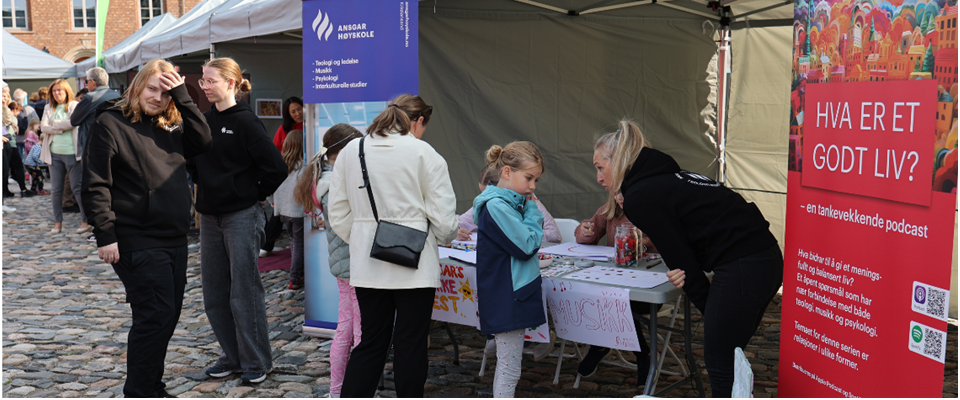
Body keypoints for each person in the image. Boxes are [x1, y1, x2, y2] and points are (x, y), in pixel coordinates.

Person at [599, 119, 783, 398]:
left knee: (721, 362)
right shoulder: (667, 179)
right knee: (729, 355)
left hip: (745, 264)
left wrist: (710, 311)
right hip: (764, 256)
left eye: (600, 167)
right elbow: (692, 236)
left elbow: (680, 257)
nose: (599, 177)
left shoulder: (640, 195)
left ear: (620, 161)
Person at [81, 58, 212, 398]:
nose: (157, 97)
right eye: (152, 89)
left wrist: (182, 95)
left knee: (167, 318)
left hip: (173, 236)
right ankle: (140, 392)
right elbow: (95, 183)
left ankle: (151, 386)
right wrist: (105, 234)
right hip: (133, 236)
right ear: (137, 86)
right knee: (154, 316)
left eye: (165, 92)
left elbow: (203, 141)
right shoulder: (110, 122)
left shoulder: (173, 122)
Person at [328, 94, 458, 398]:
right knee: (411, 344)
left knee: (370, 343)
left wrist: (365, 239)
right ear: (419, 120)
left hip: (368, 264)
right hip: (416, 263)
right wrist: (437, 238)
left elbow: (337, 213)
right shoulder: (425, 153)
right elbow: (444, 221)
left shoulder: (351, 150)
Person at [187, 57, 287, 385]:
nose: (204, 85)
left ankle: (256, 361)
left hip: (241, 217)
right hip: (210, 218)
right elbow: (193, 164)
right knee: (215, 293)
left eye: (210, 80)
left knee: (243, 292)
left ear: (231, 83)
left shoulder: (246, 122)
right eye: (203, 80)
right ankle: (232, 356)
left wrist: (254, 193)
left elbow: (276, 167)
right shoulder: (202, 120)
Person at [472, 141, 547, 398]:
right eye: (529, 178)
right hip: (507, 295)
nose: (532, 186)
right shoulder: (498, 207)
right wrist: (534, 212)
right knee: (509, 369)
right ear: (506, 172)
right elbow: (527, 246)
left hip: (509, 293)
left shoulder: (506, 204)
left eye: (536, 179)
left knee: (509, 367)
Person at [295, 123, 363, 399]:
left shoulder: (323, 178)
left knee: (346, 328)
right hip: (353, 263)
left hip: (342, 263)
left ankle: (338, 391)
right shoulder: (336, 182)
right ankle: (357, 389)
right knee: (361, 333)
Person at [457, 164, 561, 243]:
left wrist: (520, 235)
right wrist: (455, 233)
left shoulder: (531, 202)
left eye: (489, 194)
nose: (485, 198)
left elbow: (555, 236)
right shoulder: (485, 204)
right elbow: (456, 223)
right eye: (483, 194)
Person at [40, 79, 90, 234]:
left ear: (67, 91)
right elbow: (43, 127)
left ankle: (85, 221)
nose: (56, 93)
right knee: (56, 189)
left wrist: (54, 124)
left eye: (59, 90)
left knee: (77, 187)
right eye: (54, 90)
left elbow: (73, 123)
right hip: (53, 153)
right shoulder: (48, 107)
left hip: (71, 152)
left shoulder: (74, 105)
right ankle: (57, 223)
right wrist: (60, 127)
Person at [261, 96, 305, 257]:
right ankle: (266, 245)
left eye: (299, 109)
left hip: (306, 170)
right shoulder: (283, 129)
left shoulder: (311, 123)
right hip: (287, 173)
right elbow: (274, 151)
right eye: (293, 112)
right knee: (280, 211)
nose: (297, 113)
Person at [272, 130, 306, 289]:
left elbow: (267, 182)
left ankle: (297, 274)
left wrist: (272, 201)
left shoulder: (279, 162)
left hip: (283, 211)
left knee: (294, 242)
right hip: (298, 210)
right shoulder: (303, 165)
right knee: (298, 243)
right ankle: (295, 277)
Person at [71, 67, 121, 160]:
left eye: (87, 81)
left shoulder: (90, 97)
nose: (86, 85)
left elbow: (73, 121)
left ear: (92, 82)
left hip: (93, 146)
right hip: (114, 143)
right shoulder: (117, 96)